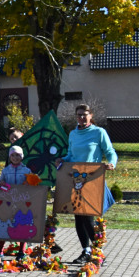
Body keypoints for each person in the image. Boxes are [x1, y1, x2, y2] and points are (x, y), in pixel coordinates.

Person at [56, 103, 118, 264]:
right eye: (79, 115)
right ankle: (86, 251)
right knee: (78, 218)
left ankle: (98, 252)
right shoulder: (73, 134)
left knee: (89, 218)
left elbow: (110, 151)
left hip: (92, 180)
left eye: (84, 114)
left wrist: (111, 163)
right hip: (76, 181)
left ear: (91, 116)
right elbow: (71, 155)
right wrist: (62, 160)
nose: (81, 117)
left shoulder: (99, 132)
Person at [0, 146, 34, 262]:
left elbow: (33, 184)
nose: (15, 157)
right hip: (8, 203)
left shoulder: (26, 170)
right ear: (10, 157)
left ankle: (22, 251)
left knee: (22, 225)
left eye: (18, 155)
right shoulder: (5, 170)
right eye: (13, 155)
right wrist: (1, 183)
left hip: (22, 202)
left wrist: (30, 183)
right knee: (4, 224)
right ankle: (0, 251)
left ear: (22, 156)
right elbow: (0, 184)